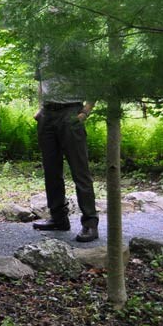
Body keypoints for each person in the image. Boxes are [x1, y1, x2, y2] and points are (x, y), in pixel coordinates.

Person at [31, 49, 99, 242]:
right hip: (48, 114)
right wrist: (41, 108)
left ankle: (90, 224)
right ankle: (58, 218)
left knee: (80, 171)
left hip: (71, 112)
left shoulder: (79, 46)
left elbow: (97, 81)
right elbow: (41, 81)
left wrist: (85, 111)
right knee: (51, 170)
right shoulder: (42, 48)